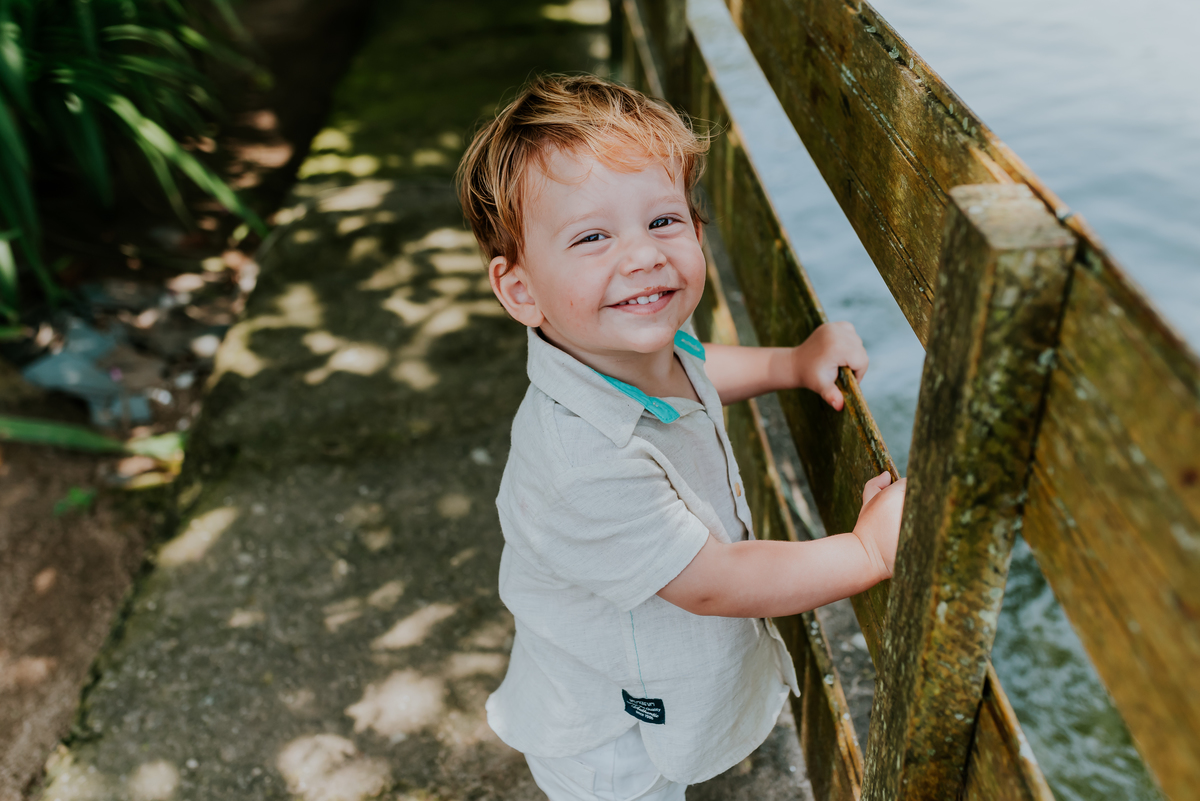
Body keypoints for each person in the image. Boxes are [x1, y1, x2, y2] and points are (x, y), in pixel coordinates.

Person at [456, 74, 906, 801]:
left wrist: (789, 364)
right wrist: (866, 551)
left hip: (632, 687)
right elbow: (712, 581)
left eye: (664, 221)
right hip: (612, 741)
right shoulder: (582, 460)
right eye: (593, 236)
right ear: (521, 290)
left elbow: (696, 367)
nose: (642, 255)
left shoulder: (634, 345)